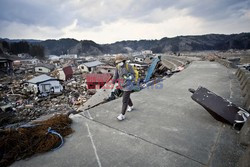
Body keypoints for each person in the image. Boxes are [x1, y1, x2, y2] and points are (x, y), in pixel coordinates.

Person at [112, 54, 135, 121]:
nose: (119, 63)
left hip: (128, 85)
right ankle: (131, 106)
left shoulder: (129, 66)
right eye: (117, 62)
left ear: (123, 61)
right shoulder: (117, 67)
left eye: (120, 62)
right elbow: (115, 76)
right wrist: (112, 83)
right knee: (127, 97)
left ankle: (122, 115)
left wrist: (130, 77)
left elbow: (133, 74)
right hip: (122, 85)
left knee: (124, 100)